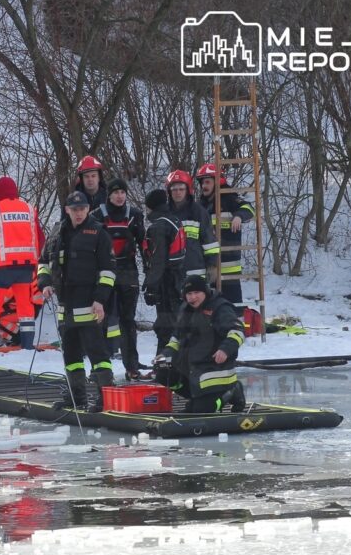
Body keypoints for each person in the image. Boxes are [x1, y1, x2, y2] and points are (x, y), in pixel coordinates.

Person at [37, 191, 116, 412]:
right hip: (65, 304)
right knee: (71, 355)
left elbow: (108, 271)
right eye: (75, 209)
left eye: (82, 209)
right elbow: (43, 262)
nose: (79, 213)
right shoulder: (57, 232)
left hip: (90, 303)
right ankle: (77, 396)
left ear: (88, 210)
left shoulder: (99, 233)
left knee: (97, 353)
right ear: (67, 210)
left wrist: (100, 300)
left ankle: (104, 396)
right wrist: (44, 284)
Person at [154, 275, 246, 413]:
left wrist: (225, 350)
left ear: (206, 291)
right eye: (189, 294)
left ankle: (232, 391)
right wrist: (163, 356)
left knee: (200, 410)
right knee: (161, 369)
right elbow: (176, 340)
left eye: (197, 293)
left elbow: (237, 331)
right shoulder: (185, 310)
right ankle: (195, 398)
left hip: (214, 370)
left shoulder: (220, 307)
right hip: (193, 368)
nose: (193, 298)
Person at [0, 175, 44, 352]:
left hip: (0, 268)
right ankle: (27, 345)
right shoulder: (29, 209)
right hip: (27, 267)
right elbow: (41, 238)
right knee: (25, 307)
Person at [92, 177, 145, 378]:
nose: (120, 196)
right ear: (109, 195)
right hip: (104, 271)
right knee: (101, 320)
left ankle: (132, 367)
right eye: (115, 192)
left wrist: (150, 274)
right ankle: (101, 368)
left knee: (128, 321)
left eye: (123, 192)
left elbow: (144, 246)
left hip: (128, 271)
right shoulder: (96, 215)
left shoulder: (135, 215)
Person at [196, 163, 255, 304]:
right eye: (202, 182)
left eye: (208, 182)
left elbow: (249, 209)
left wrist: (239, 216)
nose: (204, 185)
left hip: (229, 264)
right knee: (210, 305)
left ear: (218, 181)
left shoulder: (229, 198)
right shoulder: (200, 205)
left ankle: (237, 325)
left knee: (233, 305)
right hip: (209, 264)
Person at [141, 188, 186, 355]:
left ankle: (165, 362)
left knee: (165, 325)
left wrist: (151, 288)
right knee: (173, 321)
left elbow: (158, 261)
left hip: (166, 283)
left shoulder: (159, 227)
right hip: (178, 278)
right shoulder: (174, 220)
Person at [166, 169, 218, 279]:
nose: (178, 192)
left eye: (181, 189)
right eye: (174, 189)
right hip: (170, 272)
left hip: (196, 269)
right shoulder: (165, 213)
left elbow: (209, 241)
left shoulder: (198, 212)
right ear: (169, 192)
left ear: (188, 190)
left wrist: (212, 265)